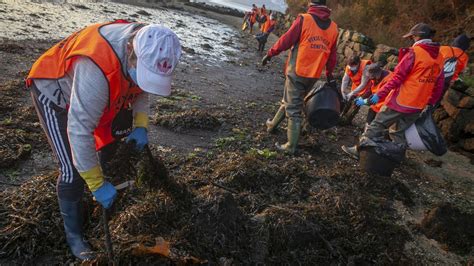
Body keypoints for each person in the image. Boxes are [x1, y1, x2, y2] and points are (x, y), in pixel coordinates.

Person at [26, 20, 182, 261]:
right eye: (142, 73)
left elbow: (140, 88)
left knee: (111, 148)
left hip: (99, 92)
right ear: (130, 51)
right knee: (72, 171)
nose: (143, 81)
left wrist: (141, 125)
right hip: (55, 89)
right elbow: (79, 131)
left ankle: (94, 198)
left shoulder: (151, 44)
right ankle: (74, 236)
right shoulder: (96, 67)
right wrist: (96, 183)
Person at [343, 23, 444, 158]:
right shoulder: (439, 57)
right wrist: (430, 103)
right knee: (397, 132)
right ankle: (397, 157)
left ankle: (358, 150)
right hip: (418, 105)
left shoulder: (414, 53)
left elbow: (397, 78)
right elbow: (439, 84)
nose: (412, 40)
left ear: (417, 36)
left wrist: (379, 95)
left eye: (412, 37)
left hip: (401, 101)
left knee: (377, 124)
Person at [261, 0, 338, 154]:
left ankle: (291, 146)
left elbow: (286, 40)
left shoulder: (304, 19)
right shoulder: (334, 28)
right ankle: (272, 125)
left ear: (311, 3)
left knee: (293, 108)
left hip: (297, 70)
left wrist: (270, 53)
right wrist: (329, 75)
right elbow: (332, 56)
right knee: (291, 100)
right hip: (314, 75)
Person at [341, 63, 394, 158]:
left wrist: (364, 101)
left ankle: (364, 151)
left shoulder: (388, 80)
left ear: (375, 74)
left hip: (385, 107)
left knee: (375, 129)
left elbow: (376, 97)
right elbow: (370, 89)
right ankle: (365, 142)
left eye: (371, 77)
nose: (369, 79)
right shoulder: (376, 77)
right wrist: (362, 97)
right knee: (368, 124)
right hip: (376, 106)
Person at [339, 55, 373, 124]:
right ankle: (341, 115)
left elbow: (363, 84)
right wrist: (343, 91)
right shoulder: (349, 66)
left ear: (358, 63)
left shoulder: (366, 67)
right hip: (356, 86)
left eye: (353, 66)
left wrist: (352, 93)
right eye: (350, 66)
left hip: (366, 88)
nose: (351, 68)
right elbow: (345, 79)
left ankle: (347, 120)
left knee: (356, 103)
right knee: (348, 100)